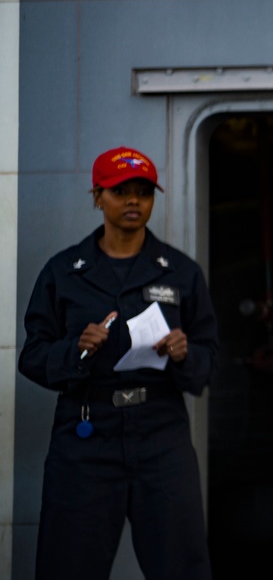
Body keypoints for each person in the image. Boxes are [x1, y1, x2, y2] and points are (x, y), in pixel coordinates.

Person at [19, 146, 218, 580]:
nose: (133, 201)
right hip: (86, 434)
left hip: (161, 433)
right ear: (97, 197)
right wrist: (74, 351)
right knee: (68, 566)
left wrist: (186, 354)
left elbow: (209, 356)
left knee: (182, 566)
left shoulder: (180, 273)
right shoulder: (64, 272)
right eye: (119, 191)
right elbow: (32, 356)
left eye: (143, 192)